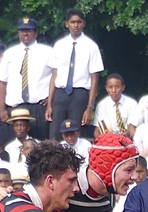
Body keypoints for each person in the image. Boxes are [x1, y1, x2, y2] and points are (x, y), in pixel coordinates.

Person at [46, 9, 103, 140]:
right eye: (72, 22)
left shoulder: (91, 46)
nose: (76, 25)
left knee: (77, 132)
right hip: (60, 94)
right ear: (67, 24)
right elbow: (54, 75)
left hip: (79, 94)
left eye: (79, 22)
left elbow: (94, 78)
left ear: (84, 24)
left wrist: (89, 107)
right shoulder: (59, 45)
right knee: (55, 133)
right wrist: (50, 104)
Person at [0, 17, 52, 141]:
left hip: (39, 107)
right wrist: (2, 109)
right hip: (16, 107)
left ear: (36, 32)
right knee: (15, 146)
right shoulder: (10, 53)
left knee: (41, 145)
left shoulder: (48, 52)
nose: (25, 33)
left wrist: (51, 98)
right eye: (22, 31)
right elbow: (2, 82)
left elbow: (58, 78)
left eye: (29, 30)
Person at [94, 73, 136, 138]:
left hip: (128, 139)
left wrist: (116, 138)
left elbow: (131, 129)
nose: (114, 90)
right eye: (110, 87)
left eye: (117, 87)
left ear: (123, 87)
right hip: (108, 140)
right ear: (106, 88)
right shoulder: (101, 106)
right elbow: (97, 130)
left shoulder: (132, 104)